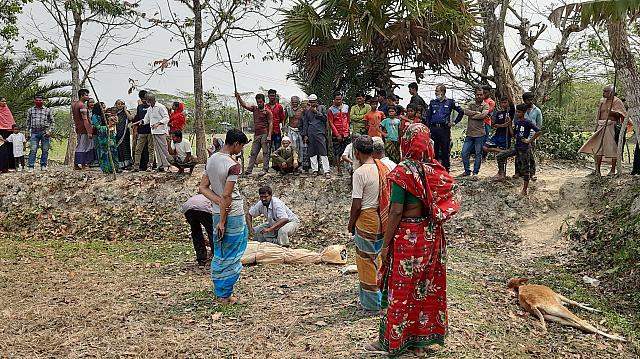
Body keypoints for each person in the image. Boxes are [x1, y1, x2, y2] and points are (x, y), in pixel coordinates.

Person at [366, 122, 460, 357]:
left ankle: (392, 341)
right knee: (424, 288)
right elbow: (452, 191)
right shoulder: (435, 170)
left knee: (399, 290)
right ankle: (419, 342)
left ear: (406, 142)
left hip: (408, 237)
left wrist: (386, 244)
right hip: (430, 236)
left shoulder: (402, 172)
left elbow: (396, 211)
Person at [199, 128, 250, 305]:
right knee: (233, 252)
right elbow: (228, 195)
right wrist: (223, 218)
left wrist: (218, 202)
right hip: (232, 213)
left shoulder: (211, 159)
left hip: (216, 211)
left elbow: (203, 187)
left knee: (220, 251)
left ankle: (221, 291)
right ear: (236, 144)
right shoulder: (233, 165)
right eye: (241, 146)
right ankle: (225, 296)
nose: (241, 150)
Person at [347, 135, 391, 312]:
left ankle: (372, 304)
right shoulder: (383, 167)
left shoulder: (360, 173)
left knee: (366, 262)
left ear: (357, 153)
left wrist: (351, 224)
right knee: (379, 258)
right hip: (382, 217)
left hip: (366, 218)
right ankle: (382, 298)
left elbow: (357, 204)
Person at [496, 104, 544, 195]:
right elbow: (513, 135)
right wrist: (510, 124)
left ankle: (524, 190)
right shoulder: (518, 122)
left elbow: (538, 131)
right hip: (517, 148)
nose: (517, 113)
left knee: (526, 170)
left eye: (519, 112)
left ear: (524, 112)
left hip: (525, 149)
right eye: (516, 111)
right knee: (499, 156)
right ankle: (502, 174)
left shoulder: (527, 122)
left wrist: (529, 140)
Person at [579, 85, 625, 176]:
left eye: (606, 91)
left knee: (612, 148)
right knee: (598, 148)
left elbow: (621, 114)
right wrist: (596, 125)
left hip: (611, 126)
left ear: (611, 92)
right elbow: (599, 114)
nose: (603, 93)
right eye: (603, 91)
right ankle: (597, 170)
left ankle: (612, 170)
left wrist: (612, 112)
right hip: (601, 125)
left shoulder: (617, 101)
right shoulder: (602, 101)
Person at [425, 84, 464, 172]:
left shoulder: (450, 102)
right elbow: (428, 117)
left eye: (437, 91)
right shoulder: (432, 103)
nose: (435, 92)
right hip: (434, 129)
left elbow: (461, 111)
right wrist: (427, 129)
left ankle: (446, 169)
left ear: (442, 92)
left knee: (445, 150)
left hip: (444, 129)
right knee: (434, 150)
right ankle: (435, 169)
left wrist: (454, 122)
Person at [237, 92, 273, 176]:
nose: (259, 103)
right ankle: (249, 169)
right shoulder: (254, 109)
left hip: (265, 133)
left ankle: (265, 169)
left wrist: (269, 135)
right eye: (258, 102)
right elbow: (244, 105)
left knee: (265, 152)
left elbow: (271, 123)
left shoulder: (267, 112)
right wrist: (239, 98)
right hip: (257, 134)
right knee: (253, 152)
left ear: (264, 101)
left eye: (260, 102)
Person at [461, 87, 490, 179]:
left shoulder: (485, 105)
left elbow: (483, 115)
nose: (479, 96)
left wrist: (472, 115)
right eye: (477, 94)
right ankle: (467, 171)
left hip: (480, 134)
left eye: (481, 94)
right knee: (464, 152)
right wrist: (476, 113)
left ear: (483, 95)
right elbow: (465, 111)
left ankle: (475, 173)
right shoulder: (471, 104)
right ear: (475, 95)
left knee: (478, 154)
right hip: (469, 134)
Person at [302, 94, 331, 177]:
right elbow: (305, 123)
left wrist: (316, 112)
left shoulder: (322, 108)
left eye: (313, 102)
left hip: (320, 132)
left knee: (323, 151)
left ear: (316, 101)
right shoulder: (307, 111)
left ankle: (326, 171)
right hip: (311, 133)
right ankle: (315, 170)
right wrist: (305, 135)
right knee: (312, 152)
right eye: (310, 102)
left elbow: (325, 118)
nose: (312, 103)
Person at [141, 92, 171, 172]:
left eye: (147, 100)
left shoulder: (161, 107)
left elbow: (166, 118)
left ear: (150, 100)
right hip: (154, 132)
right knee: (157, 150)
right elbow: (147, 119)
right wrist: (142, 121)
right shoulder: (150, 108)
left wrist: (158, 123)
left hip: (161, 131)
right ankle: (160, 165)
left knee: (164, 149)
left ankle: (167, 165)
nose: (146, 101)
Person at [182, 194, 214, 267]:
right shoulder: (214, 196)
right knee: (212, 231)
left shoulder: (203, 195)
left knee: (196, 232)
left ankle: (201, 260)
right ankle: (216, 257)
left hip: (187, 209)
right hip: (203, 208)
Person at [25, 94, 54, 172]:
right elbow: (27, 122)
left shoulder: (48, 110)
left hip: (44, 132)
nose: (38, 101)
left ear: (43, 101)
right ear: (34, 101)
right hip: (34, 132)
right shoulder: (30, 110)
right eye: (37, 100)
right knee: (33, 150)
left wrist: (49, 131)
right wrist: (27, 132)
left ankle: (43, 165)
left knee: (45, 149)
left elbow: (52, 122)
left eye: (40, 100)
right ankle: (31, 166)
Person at [519, 91, 543, 180]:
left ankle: (532, 173)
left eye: (532, 100)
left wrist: (534, 137)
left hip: (532, 136)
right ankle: (519, 172)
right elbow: (516, 122)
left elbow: (539, 125)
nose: (531, 102)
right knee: (520, 154)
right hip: (521, 135)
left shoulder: (537, 111)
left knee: (531, 154)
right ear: (524, 100)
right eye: (528, 100)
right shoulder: (520, 109)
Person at [91, 104, 120, 174]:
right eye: (103, 107)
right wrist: (108, 126)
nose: (104, 109)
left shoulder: (106, 115)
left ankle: (115, 167)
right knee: (104, 153)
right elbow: (98, 127)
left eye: (104, 107)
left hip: (110, 135)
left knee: (113, 151)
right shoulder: (94, 117)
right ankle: (106, 169)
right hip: (102, 137)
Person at [71, 89, 95, 170]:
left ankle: (76, 164)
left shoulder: (74, 104)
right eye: (86, 95)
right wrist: (89, 131)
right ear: (82, 96)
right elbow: (85, 119)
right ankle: (83, 164)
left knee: (80, 145)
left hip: (78, 128)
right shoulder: (82, 106)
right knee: (84, 146)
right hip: (83, 128)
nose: (88, 97)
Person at [328, 93, 350, 176]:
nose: (338, 101)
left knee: (347, 150)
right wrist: (337, 134)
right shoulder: (331, 110)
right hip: (336, 133)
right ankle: (339, 169)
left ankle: (348, 168)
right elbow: (331, 123)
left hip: (346, 133)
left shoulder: (346, 107)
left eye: (340, 99)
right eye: (337, 99)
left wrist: (347, 130)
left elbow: (348, 119)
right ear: (333, 100)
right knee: (337, 152)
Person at [133, 90, 154, 171]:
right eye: (142, 99)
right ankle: (136, 166)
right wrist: (136, 130)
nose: (144, 100)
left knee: (150, 149)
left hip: (150, 131)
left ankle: (150, 165)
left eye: (145, 98)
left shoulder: (152, 106)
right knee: (138, 149)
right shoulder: (139, 107)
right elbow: (138, 118)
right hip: (141, 132)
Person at [285, 96, 306, 168]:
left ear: (298, 102)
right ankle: (291, 164)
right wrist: (284, 129)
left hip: (299, 131)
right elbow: (284, 119)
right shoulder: (288, 109)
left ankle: (299, 164)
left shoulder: (302, 110)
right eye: (293, 102)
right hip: (291, 130)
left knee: (300, 148)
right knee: (291, 148)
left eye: (295, 102)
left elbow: (304, 121)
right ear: (291, 102)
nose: (294, 103)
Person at [114, 100, 133, 169]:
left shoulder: (126, 112)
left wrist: (125, 110)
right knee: (118, 148)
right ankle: (121, 164)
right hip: (117, 133)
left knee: (125, 147)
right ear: (116, 105)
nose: (120, 105)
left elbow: (130, 118)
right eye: (118, 104)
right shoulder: (114, 113)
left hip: (124, 133)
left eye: (122, 104)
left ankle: (128, 164)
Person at [0, 96, 16, 173]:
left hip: (9, 131)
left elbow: (11, 121)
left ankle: (11, 167)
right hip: (0, 132)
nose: (4, 103)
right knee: (2, 149)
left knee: (10, 149)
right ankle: (2, 168)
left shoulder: (7, 110)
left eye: (5, 101)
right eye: (2, 101)